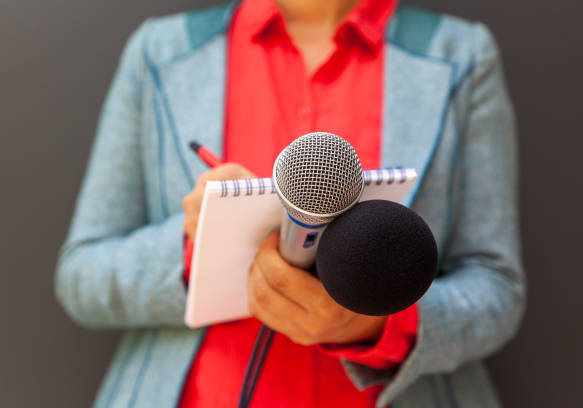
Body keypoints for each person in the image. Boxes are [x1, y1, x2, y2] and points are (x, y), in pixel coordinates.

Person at [55, 0, 526, 406]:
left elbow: (497, 289)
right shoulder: (159, 53)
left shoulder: (463, 56)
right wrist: (195, 244)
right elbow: (82, 276)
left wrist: (370, 324)